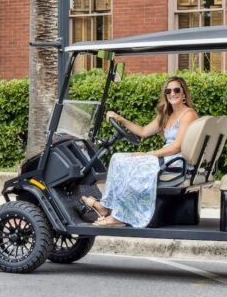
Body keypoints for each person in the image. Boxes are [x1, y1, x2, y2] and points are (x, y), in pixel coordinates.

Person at [83, 76, 198, 227]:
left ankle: (117, 216)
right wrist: (120, 119)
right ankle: (106, 207)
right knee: (117, 158)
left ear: (184, 93)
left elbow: (177, 147)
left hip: (175, 160)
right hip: (166, 157)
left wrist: (147, 154)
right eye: (168, 91)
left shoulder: (188, 114)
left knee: (129, 163)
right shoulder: (166, 114)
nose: (172, 94)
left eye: (177, 90)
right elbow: (143, 131)